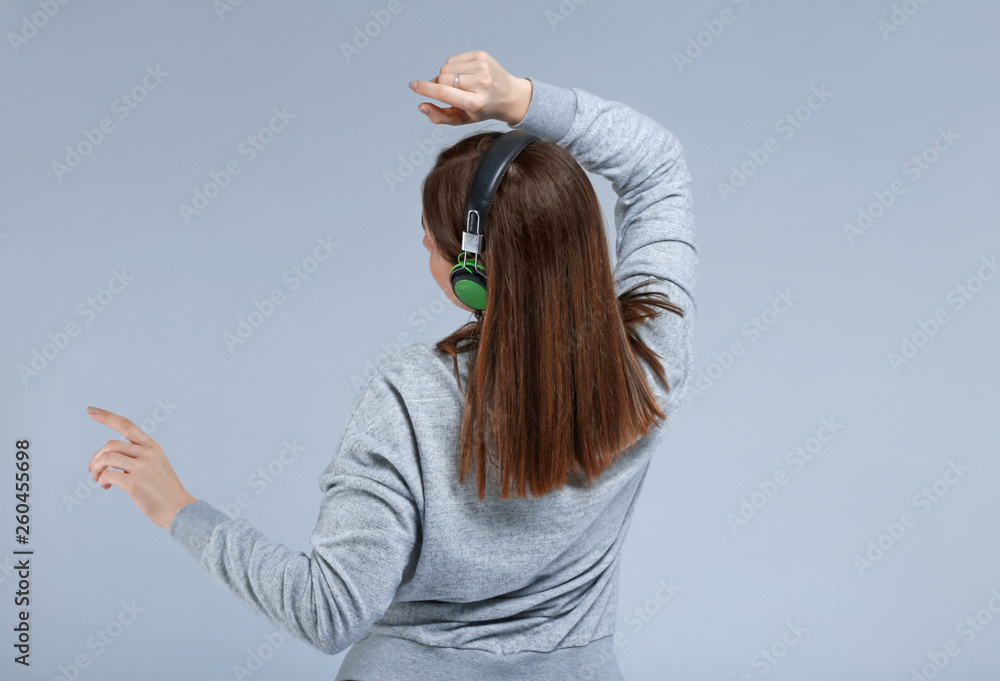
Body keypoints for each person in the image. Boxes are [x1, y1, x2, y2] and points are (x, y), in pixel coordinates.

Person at [85, 50, 698, 680]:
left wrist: (179, 509)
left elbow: (329, 612)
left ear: (471, 278)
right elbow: (656, 167)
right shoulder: (647, 358)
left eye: (433, 236)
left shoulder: (411, 397)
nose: (424, 243)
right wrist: (519, 97)